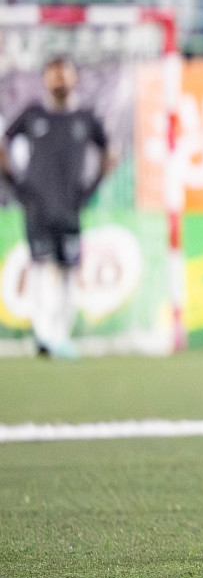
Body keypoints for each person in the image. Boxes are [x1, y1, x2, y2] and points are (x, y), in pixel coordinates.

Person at [0, 56, 114, 360]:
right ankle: (42, 335)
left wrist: (90, 189)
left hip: (70, 208)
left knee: (66, 270)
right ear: (46, 80)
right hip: (37, 207)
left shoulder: (85, 119)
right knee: (38, 266)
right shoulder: (32, 115)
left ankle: (61, 334)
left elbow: (107, 153)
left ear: (74, 79)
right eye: (54, 75)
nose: (59, 81)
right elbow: (4, 145)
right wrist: (16, 187)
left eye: (64, 74)